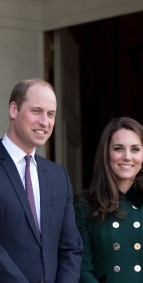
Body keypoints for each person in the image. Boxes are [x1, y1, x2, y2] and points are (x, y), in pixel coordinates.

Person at [0, 78, 83, 283]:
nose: (45, 121)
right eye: (36, 111)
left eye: (51, 114)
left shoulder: (59, 176)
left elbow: (71, 248)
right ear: (13, 110)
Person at [74, 116, 143, 283]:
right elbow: (82, 269)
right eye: (119, 148)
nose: (127, 157)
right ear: (106, 153)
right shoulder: (84, 204)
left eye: (135, 149)